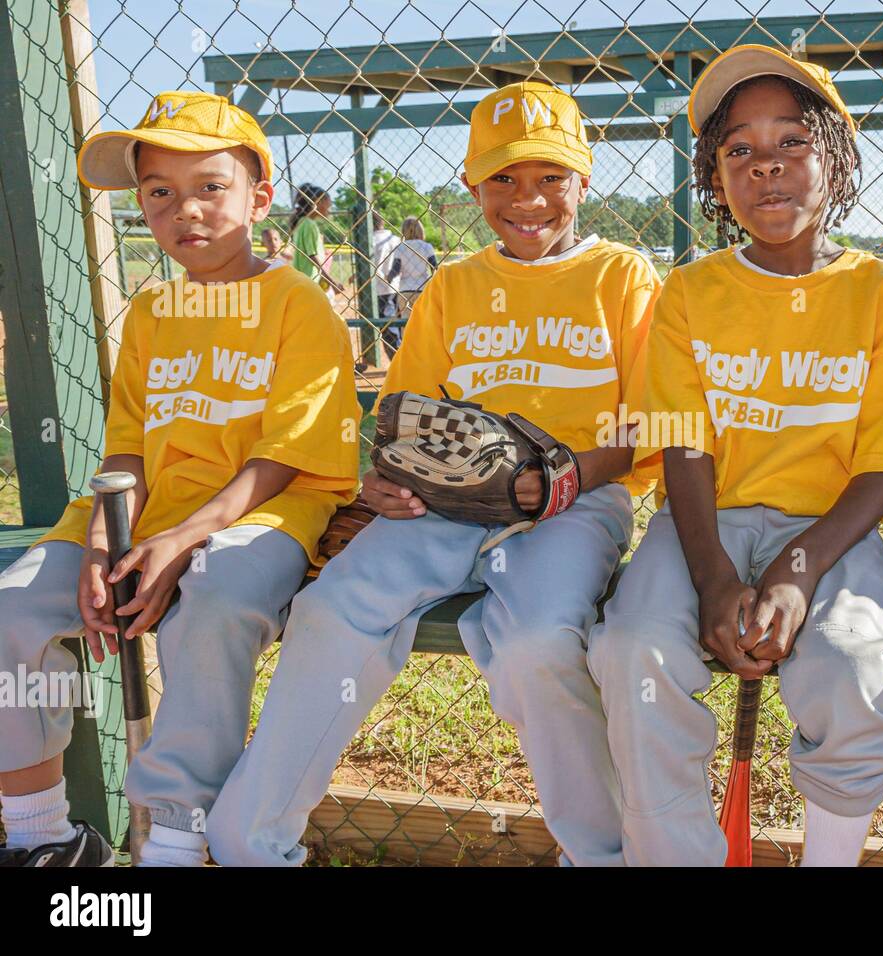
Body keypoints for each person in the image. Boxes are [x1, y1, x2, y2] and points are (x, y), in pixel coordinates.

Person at [205, 80, 660, 867]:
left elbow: (646, 427)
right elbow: (408, 412)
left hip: (572, 503)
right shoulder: (452, 285)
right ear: (472, 188)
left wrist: (565, 479)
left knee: (540, 645)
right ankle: (249, 844)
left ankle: (604, 854)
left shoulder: (622, 277)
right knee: (331, 610)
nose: (529, 199)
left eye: (551, 177)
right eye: (504, 179)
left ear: (586, 180)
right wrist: (381, 480)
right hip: (443, 499)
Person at [585, 45, 883, 866]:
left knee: (853, 663)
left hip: (833, 530)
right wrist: (715, 577)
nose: (768, 167)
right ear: (715, 181)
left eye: (793, 142)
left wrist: (796, 568)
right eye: (739, 151)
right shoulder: (688, 295)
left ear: (838, 159)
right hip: (704, 522)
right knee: (627, 649)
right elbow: (682, 446)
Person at [0, 91, 360, 867]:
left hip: (260, 511)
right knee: (11, 615)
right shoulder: (154, 310)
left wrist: (181, 540)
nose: (184, 211)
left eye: (209, 188)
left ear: (260, 197)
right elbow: (125, 448)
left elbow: (287, 455)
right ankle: (41, 836)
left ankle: (174, 838)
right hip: (146, 511)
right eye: (159, 193)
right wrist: (104, 537)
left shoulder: (297, 302)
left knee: (213, 601)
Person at [289, 183, 344, 298]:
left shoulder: (302, 222)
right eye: (328, 206)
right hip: (309, 280)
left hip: (303, 280)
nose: (329, 210)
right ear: (317, 202)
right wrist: (332, 282)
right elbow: (312, 256)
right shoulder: (309, 224)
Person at [387, 216, 437, 320]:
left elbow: (396, 270)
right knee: (423, 321)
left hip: (405, 289)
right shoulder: (426, 246)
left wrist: (389, 277)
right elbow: (434, 268)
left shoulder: (401, 247)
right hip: (423, 288)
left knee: (407, 323)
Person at [370, 212, 402, 358]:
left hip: (380, 289)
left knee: (387, 327)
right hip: (399, 287)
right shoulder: (396, 239)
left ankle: (395, 358)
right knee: (399, 324)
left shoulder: (371, 240)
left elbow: (374, 267)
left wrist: (384, 278)